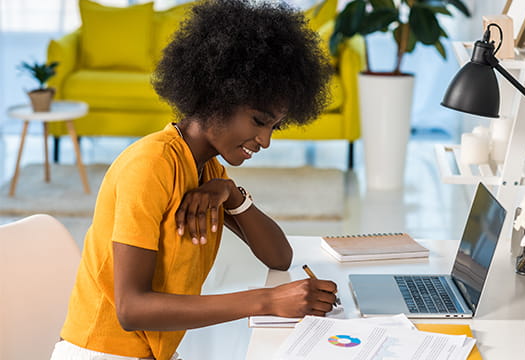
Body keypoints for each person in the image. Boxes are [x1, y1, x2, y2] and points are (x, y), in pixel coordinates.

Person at [50, 0, 335, 359]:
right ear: (219, 96)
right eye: (259, 121)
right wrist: (267, 300)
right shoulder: (151, 164)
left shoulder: (208, 170)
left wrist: (232, 194)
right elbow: (131, 309)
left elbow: (279, 256)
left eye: (274, 127)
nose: (265, 140)